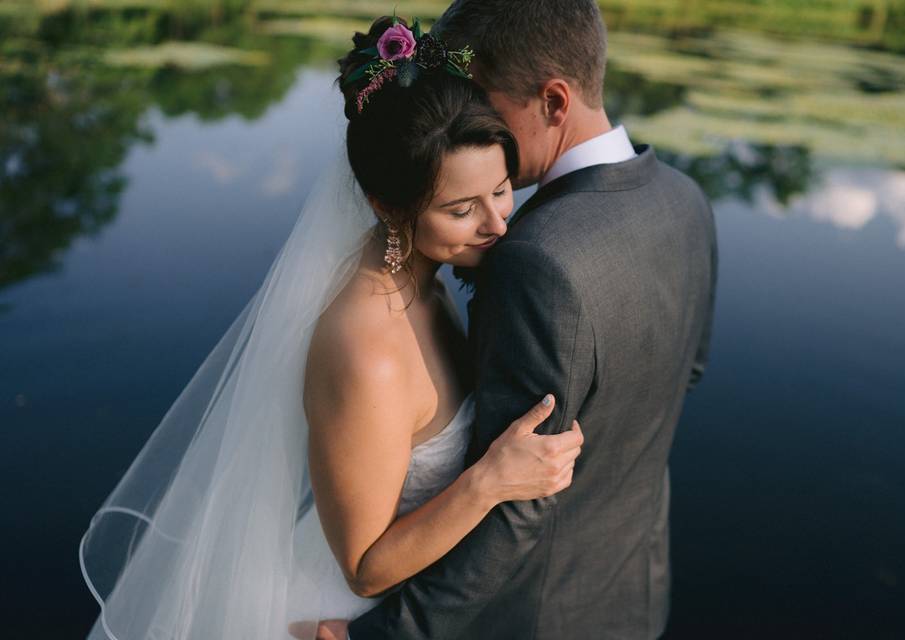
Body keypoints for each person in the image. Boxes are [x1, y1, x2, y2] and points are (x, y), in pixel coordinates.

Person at [78, 15, 584, 640]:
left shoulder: (424, 285)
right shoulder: (366, 350)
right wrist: (490, 481)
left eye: (502, 191)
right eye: (461, 209)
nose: (497, 224)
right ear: (388, 205)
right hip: (327, 621)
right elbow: (365, 568)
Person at [331, 1, 719, 638]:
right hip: (636, 592)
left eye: (480, 100)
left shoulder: (535, 258)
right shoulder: (684, 197)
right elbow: (686, 372)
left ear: (553, 102)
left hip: (531, 616)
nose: (471, 122)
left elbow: (518, 506)